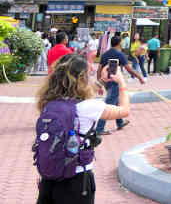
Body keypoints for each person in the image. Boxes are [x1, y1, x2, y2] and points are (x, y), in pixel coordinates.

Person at [34, 54, 131, 204]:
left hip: (49, 177)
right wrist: (121, 83)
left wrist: (102, 81)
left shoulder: (48, 103)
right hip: (77, 179)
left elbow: (77, 97)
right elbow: (124, 110)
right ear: (82, 79)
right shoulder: (90, 107)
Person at [96, 35, 145, 135]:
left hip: (106, 81)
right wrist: (139, 77)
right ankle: (99, 129)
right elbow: (129, 69)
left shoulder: (105, 54)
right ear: (119, 43)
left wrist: (99, 84)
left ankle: (120, 122)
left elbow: (99, 70)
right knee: (109, 105)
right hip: (115, 81)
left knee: (117, 102)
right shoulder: (120, 54)